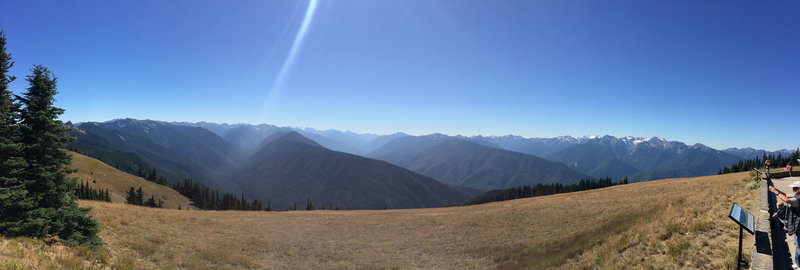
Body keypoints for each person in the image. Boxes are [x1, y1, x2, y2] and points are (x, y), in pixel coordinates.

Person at [770, 182, 800, 269]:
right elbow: (786, 195)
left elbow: (787, 200)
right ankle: (798, 263)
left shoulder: (799, 198)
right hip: (797, 226)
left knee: (799, 246)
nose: (793, 190)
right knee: (796, 243)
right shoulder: (797, 195)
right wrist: (775, 190)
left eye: (794, 188)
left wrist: (776, 192)